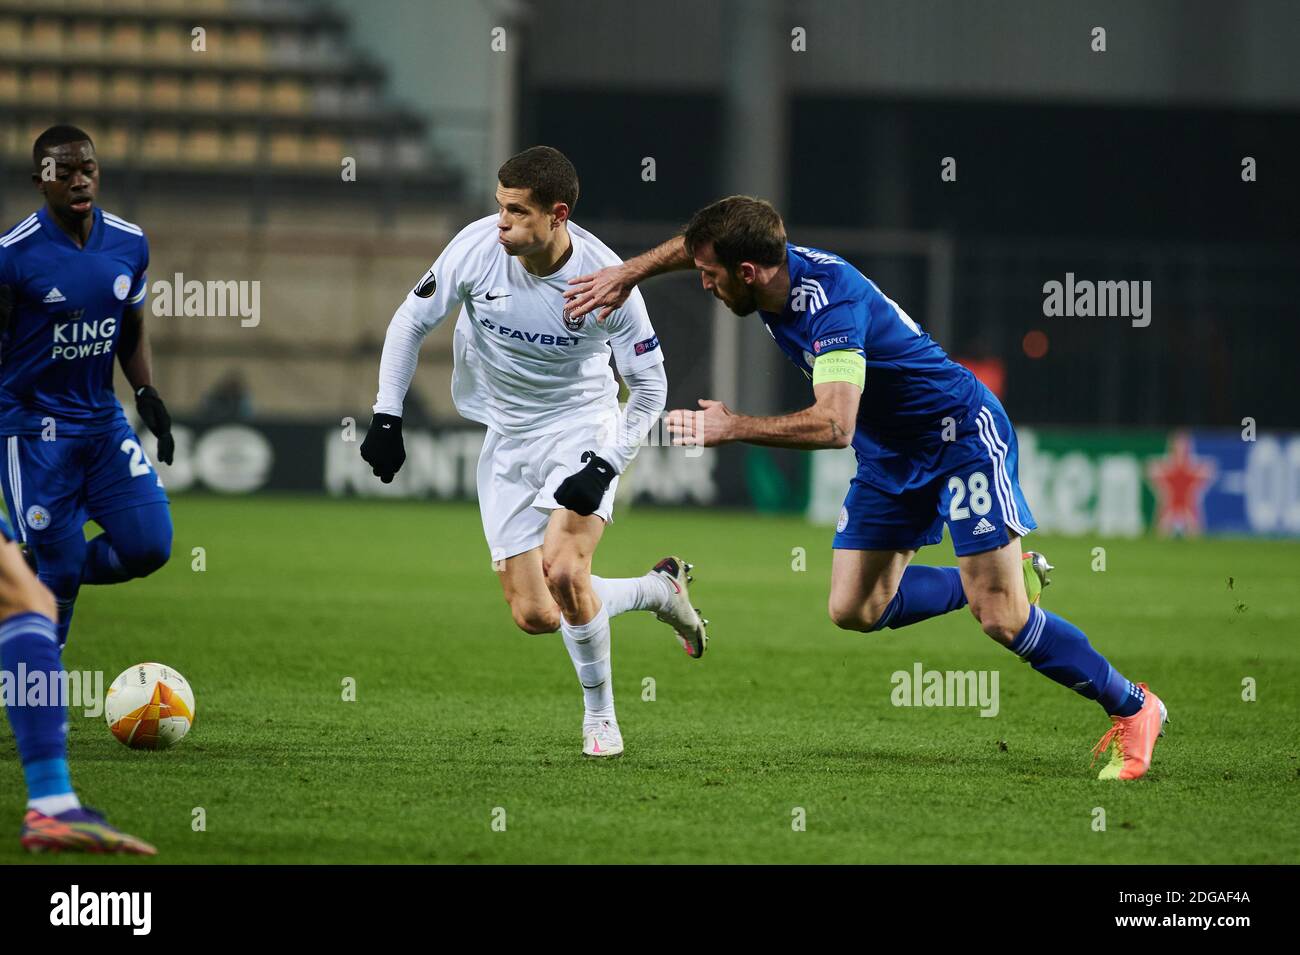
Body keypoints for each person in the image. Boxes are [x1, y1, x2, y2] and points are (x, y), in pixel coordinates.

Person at [564, 195, 1167, 780]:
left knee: (1002, 617)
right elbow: (702, 244)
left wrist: (734, 426)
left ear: (747, 272)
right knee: (854, 608)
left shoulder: (831, 308)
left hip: (959, 442)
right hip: (889, 453)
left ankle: (1134, 706)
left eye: (711, 275)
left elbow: (833, 424)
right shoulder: (765, 260)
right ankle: (1001, 573)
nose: (704, 283)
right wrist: (628, 273)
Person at [360, 147, 707, 758]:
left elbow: (651, 387)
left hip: (582, 428)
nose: (501, 224)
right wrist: (388, 413)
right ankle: (658, 591)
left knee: (568, 571)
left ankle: (601, 719)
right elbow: (409, 323)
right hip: (505, 435)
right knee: (537, 614)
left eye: (516, 212)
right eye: (498, 208)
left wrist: (605, 463)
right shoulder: (475, 248)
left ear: (557, 214)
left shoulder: (608, 282)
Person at [0, 126, 174, 649]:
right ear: (40, 181)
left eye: (88, 170)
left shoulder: (129, 242)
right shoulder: (12, 257)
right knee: (62, 563)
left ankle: (31, 570)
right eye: (65, 172)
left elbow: (132, 326)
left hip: (101, 421)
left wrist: (146, 393)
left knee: (150, 546)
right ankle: (38, 699)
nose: (79, 181)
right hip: (31, 429)